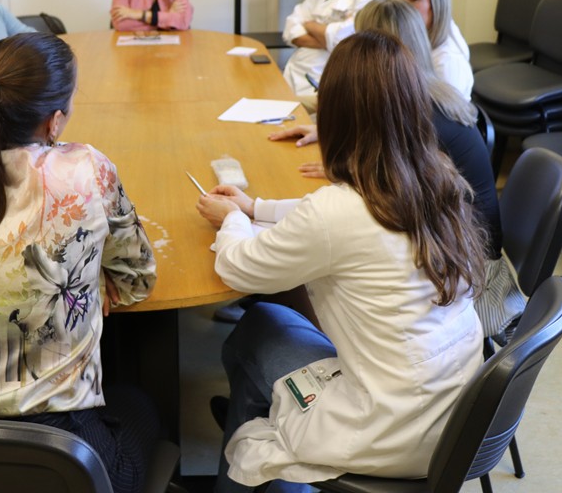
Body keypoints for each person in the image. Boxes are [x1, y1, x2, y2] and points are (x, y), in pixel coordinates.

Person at [196, 30, 487, 492]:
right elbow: (347, 219)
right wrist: (256, 208)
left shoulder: (338, 211)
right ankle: (254, 426)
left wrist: (232, 219)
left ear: (335, 117)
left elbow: (238, 267)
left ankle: (251, 452)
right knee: (268, 332)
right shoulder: (435, 177)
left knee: (254, 333)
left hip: (389, 429)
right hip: (456, 416)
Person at [0, 33, 160, 493]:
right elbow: (136, 282)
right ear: (54, 121)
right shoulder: (86, 170)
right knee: (142, 404)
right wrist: (89, 276)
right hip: (55, 450)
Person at [272, 0, 502, 258]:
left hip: (469, 256)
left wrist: (348, 171)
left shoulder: (420, 116)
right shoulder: (425, 93)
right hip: (451, 239)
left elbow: (395, 189)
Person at [387, 0, 473, 98]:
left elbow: (446, 113)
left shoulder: (448, 64)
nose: (401, 6)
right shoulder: (414, 34)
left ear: (436, 4)